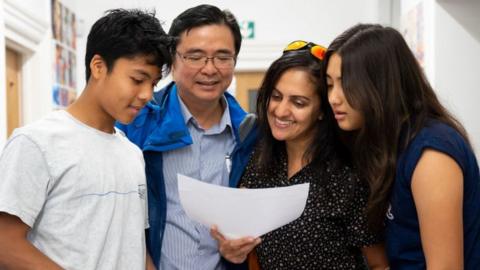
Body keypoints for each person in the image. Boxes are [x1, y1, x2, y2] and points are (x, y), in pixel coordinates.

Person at [0, 9, 170, 269]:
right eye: (138, 79)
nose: (147, 94)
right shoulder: (36, 143)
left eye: (154, 83)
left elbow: (133, 244)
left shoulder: (132, 153)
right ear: (98, 66)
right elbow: (5, 244)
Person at [211, 41, 388, 269]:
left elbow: (379, 264)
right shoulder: (257, 162)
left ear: (323, 110)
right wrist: (231, 251)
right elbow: (246, 246)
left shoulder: (348, 176)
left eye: (298, 102)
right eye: (276, 97)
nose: (281, 111)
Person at [325, 23, 480, 269]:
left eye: (346, 83)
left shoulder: (431, 153)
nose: (334, 97)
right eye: (330, 84)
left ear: (380, 83)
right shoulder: (385, 144)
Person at [116, 4, 257, 270]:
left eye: (223, 57)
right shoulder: (137, 123)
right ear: (173, 60)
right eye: (195, 56)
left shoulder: (251, 135)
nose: (210, 68)